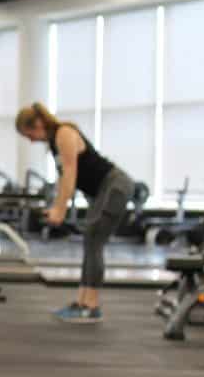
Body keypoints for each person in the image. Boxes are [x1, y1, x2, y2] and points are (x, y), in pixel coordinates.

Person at [15, 103, 136, 323]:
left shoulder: (64, 133)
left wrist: (60, 210)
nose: (31, 140)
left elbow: (70, 175)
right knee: (90, 239)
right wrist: (56, 206)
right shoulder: (54, 142)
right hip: (102, 191)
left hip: (115, 186)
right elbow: (64, 179)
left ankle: (91, 305)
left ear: (39, 124)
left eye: (29, 133)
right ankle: (82, 301)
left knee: (94, 239)